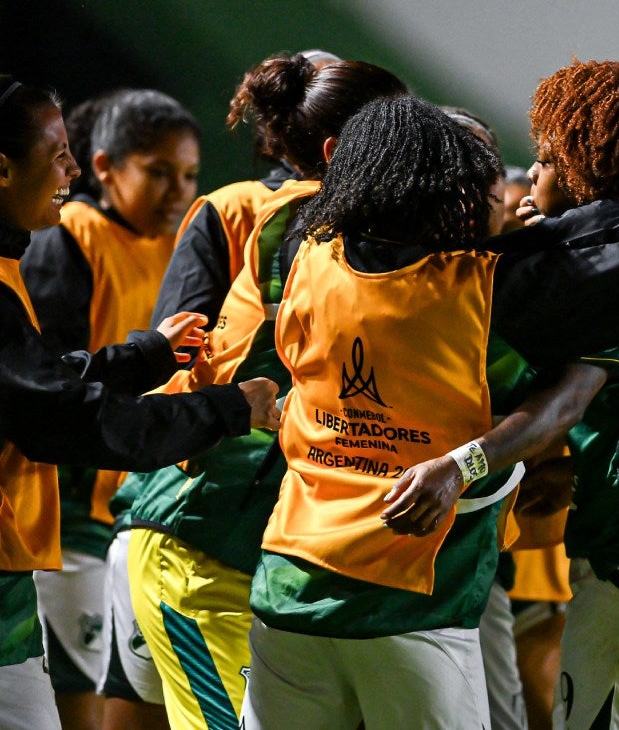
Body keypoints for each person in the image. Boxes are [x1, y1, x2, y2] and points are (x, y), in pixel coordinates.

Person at [121, 54, 408, 730]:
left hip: (268, 557)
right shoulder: (305, 229)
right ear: (342, 151)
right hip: (201, 540)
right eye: (402, 138)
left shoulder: (349, 232)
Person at [0, 73, 278, 730]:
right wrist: (227, 409)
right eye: (58, 153)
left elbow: (38, 378)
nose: (71, 168)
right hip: (71, 531)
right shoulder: (64, 242)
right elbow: (64, 417)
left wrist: (145, 355)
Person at [18, 86, 201, 729]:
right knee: (81, 711)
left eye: (188, 175)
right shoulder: (67, 238)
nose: (178, 189)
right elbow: (51, 389)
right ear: (105, 168)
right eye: (158, 172)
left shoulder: (176, 247)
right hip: (68, 511)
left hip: (126, 501)